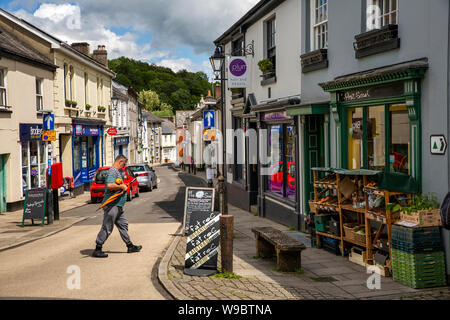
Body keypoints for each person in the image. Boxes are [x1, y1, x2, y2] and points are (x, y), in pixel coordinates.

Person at [92, 154, 142, 258]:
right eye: (124, 163)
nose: (124, 166)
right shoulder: (112, 171)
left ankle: (130, 246)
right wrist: (122, 186)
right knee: (107, 227)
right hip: (112, 205)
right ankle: (98, 248)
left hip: (118, 206)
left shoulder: (117, 172)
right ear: (120, 161)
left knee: (123, 225)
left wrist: (122, 186)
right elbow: (110, 185)